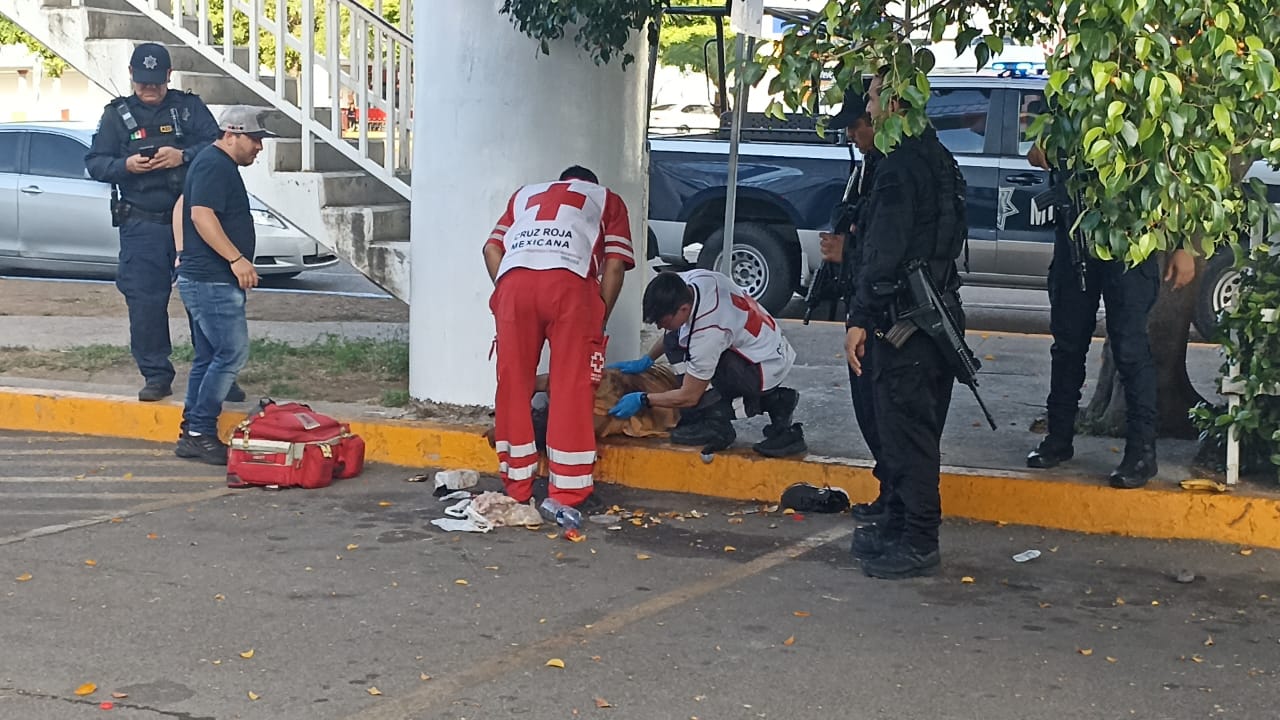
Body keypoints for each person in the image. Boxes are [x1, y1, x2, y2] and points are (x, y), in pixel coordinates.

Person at [844, 69, 968, 579]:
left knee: (908, 437)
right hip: (933, 316)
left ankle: (918, 539)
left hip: (905, 321)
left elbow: (883, 252)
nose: (868, 111)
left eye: (873, 99)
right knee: (905, 434)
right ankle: (897, 527)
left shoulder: (898, 167)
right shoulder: (938, 157)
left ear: (895, 104)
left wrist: (859, 317)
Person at [1023, 144, 1195, 489]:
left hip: (1129, 244)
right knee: (1068, 345)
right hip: (1075, 240)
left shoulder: (1142, 97)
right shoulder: (1068, 95)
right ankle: (1058, 439)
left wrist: (1182, 244)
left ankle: (1142, 453)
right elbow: (1036, 152)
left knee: (1130, 350)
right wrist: (1043, 147)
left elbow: (1174, 174)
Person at [85, 42, 241, 404]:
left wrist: (181, 155)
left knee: (204, 300)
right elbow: (94, 162)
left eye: (156, 81)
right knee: (145, 303)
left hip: (193, 224)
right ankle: (155, 374)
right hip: (143, 224)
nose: (149, 88)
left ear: (169, 76)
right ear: (131, 77)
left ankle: (221, 374)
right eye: (143, 82)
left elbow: (219, 145)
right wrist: (126, 166)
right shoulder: (115, 115)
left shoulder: (188, 109)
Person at [484, 166, 635, 510]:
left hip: (513, 284)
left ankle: (517, 486)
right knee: (571, 388)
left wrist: (510, 293)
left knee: (513, 385)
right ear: (589, 184)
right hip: (570, 288)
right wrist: (598, 318)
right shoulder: (606, 199)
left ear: (559, 180)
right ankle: (568, 492)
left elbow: (490, 250)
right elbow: (613, 266)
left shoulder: (524, 195)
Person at [607, 269, 806, 458]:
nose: (660, 327)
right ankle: (775, 401)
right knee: (674, 340)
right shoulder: (692, 281)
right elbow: (672, 333)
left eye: (664, 322)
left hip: (761, 368)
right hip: (765, 349)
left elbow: (690, 396)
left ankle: (719, 422)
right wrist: (647, 359)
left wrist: (643, 399)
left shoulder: (708, 332)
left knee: (696, 389)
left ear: (684, 309)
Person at [173, 106, 276, 465]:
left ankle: (192, 433)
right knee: (231, 353)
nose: (259, 147)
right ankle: (200, 430)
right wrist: (236, 259)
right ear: (230, 135)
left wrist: (181, 251)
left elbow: (184, 205)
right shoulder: (214, 164)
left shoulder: (213, 164)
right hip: (211, 280)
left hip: (204, 277)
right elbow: (200, 214)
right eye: (255, 139)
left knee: (208, 357)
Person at [818, 92, 889, 521]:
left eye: (857, 124)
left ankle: (895, 497)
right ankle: (888, 492)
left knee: (881, 410)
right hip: (859, 300)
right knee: (868, 410)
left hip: (881, 312)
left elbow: (889, 250)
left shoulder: (893, 173)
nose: (851, 134)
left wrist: (851, 250)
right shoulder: (867, 170)